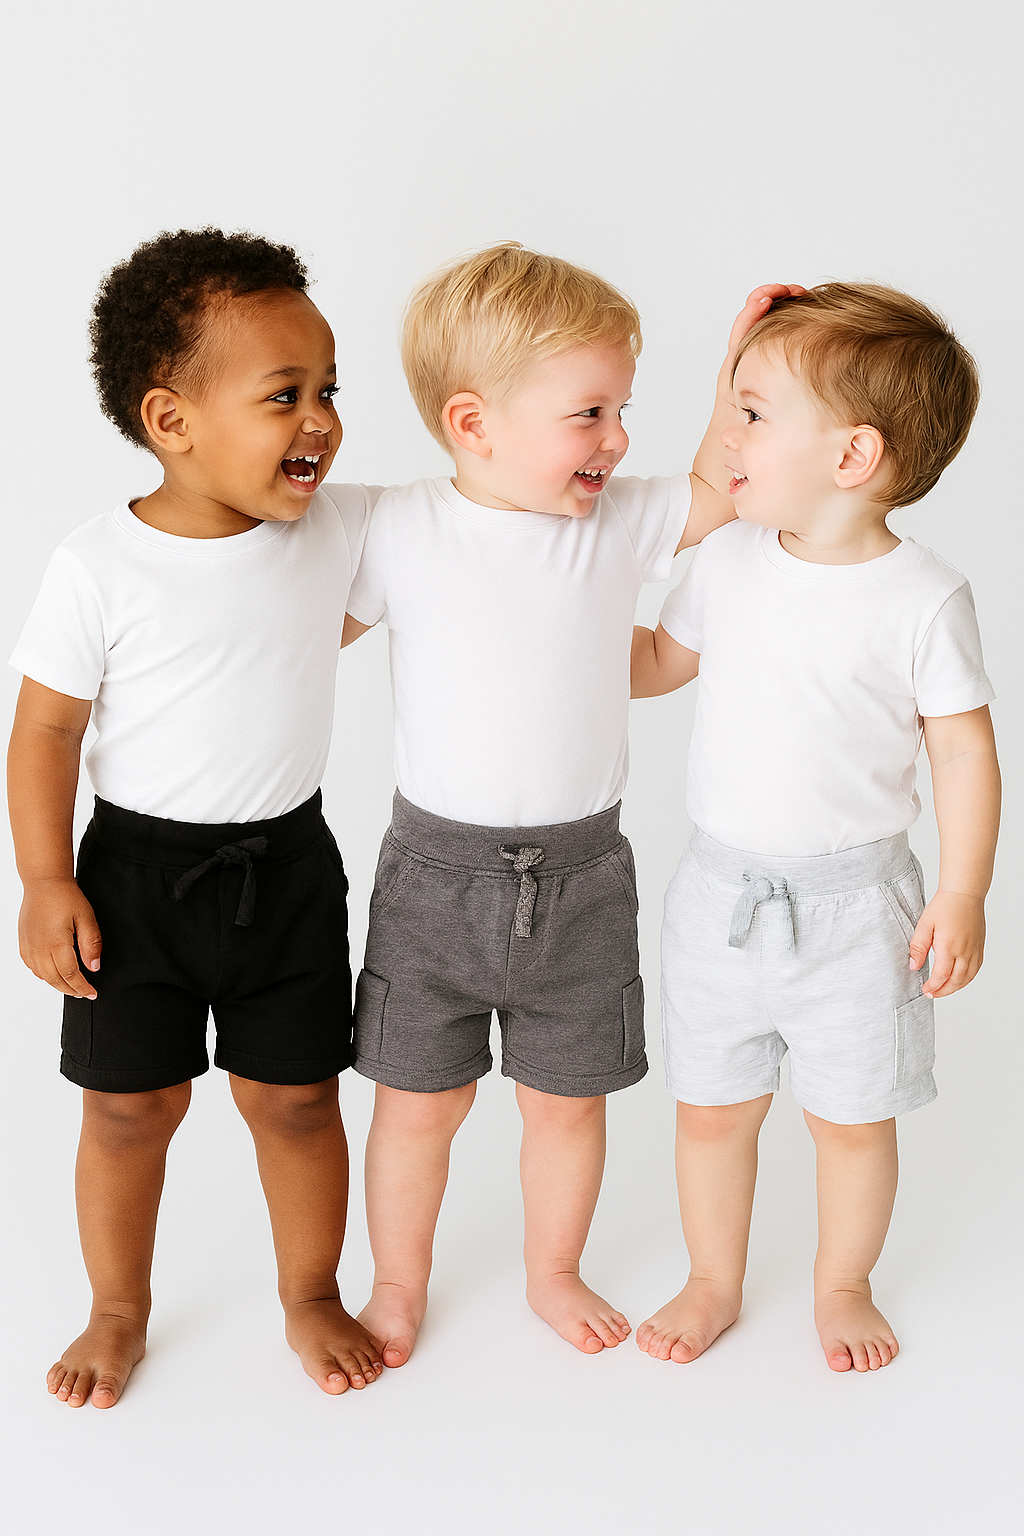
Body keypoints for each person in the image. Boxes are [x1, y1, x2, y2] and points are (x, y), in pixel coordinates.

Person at [342, 241, 795, 1365]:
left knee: (567, 1102)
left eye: (622, 409)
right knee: (416, 1104)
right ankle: (396, 1281)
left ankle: (553, 1270)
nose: (618, 439)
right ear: (472, 423)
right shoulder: (396, 526)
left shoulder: (617, 520)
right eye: (589, 413)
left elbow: (713, 488)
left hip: (584, 874)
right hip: (433, 879)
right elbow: (297, 629)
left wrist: (737, 369)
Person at [7, 228, 385, 1407]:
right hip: (131, 882)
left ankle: (310, 1292)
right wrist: (46, 880)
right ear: (171, 420)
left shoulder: (338, 532)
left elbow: (477, 514)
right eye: (284, 395)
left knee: (299, 1099)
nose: (320, 421)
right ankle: (117, 1309)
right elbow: (45, 733)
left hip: (288, 871)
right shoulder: (97, 566)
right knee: (130, 1111)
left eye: (329, 391)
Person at [630, 283, 1000, 1372]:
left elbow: (963, 753)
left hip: (856, 911)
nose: (726, 436)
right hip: (721, 899)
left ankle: (843, 1282)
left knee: (851, 1120)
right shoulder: (728, 558)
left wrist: (963, 891)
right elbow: (656, 665)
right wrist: (558, 628)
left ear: (851, 456)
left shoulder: (922, 597)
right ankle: (713, 1278)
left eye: (751, 413)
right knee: (712, 1111)